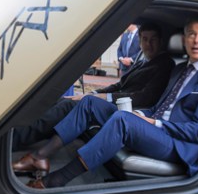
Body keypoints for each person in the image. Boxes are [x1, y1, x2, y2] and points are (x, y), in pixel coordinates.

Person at [14, 18, 198, 189]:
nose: (196, 41)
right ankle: (39, 156)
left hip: (178, 144)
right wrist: (143, 115)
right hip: (156, 127)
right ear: (184, 40)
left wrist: (152, 123)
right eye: (191, 34)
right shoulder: (180, 70)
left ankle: (57, 180)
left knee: (122, 120)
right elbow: (157, 108)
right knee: (89, 102)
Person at [12, 22, 176, 150]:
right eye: (145, 39)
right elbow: (120, 84)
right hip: (117, 103)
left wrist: (100, 96)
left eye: (153, 40)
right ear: (139, 41)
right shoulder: (143, 61)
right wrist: (97, 91)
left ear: (161, 42)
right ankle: (22, 131)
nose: (148, 44)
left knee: (70, 104)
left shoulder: (164, 64)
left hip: (130, 111)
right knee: (64, 100)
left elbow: (144, 97)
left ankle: (16, 139)